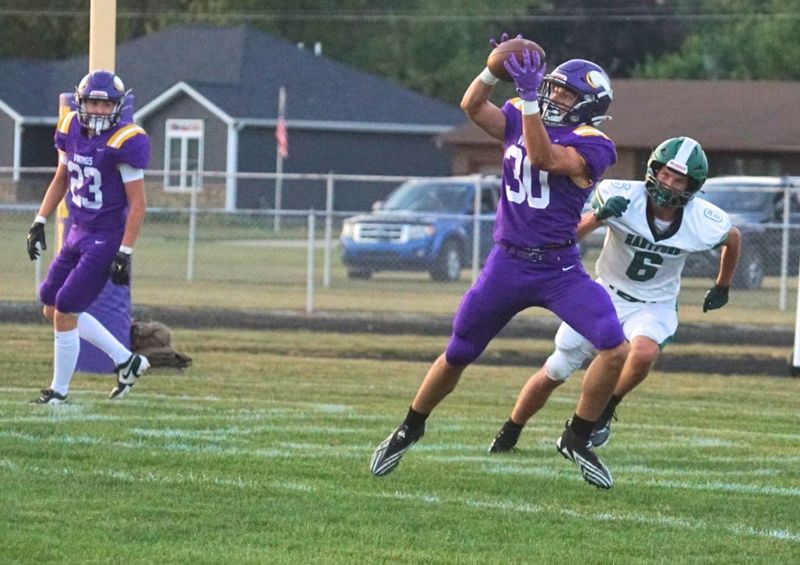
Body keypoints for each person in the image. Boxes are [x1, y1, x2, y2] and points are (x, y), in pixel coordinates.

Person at [369, 33, 629, 489]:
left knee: (615, 346)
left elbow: (546, 157)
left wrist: (528, 99)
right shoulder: (519, 113)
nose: (553, 96)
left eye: (566, 94)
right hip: (506, 263)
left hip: (558, 268)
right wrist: (492, 69)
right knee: (458, 352)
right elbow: (472, 107)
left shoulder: (594, 143)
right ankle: (411, 425)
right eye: (551, 88)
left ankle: (578, 435)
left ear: (588, 105)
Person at [488, 136, 741, 454]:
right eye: (664, 174)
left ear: (692, 186)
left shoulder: (702, 220)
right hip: (605, 293)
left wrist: (723, 285)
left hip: (654, 302)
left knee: (644, 353)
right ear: (653, 170)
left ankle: (602, 413)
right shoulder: (622, 196)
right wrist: (598, 216)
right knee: (557, 369)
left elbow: (733, 239)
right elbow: (564, 236)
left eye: (678, 179)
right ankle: (511, 429)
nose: (668, 183)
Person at [26, 69, 151, 404]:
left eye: (105, 104)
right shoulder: (69, 127)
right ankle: (127, 360)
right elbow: (62, 177)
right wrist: (40, 220)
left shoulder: (125, 141)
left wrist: (124, 251)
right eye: (93, 103)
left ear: (117, 107)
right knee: (51, 307)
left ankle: (58, 394)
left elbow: (139, 204)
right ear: (81, 103)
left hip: (105, 236)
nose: (98, 111)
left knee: (67, 308)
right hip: (77, 230)